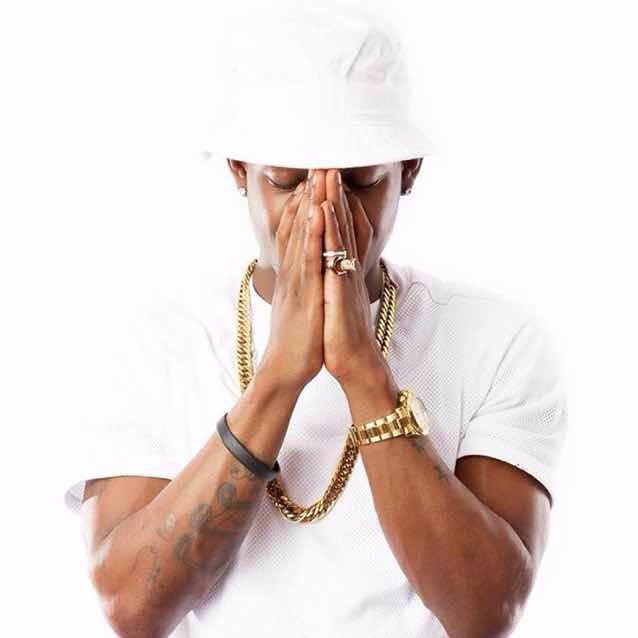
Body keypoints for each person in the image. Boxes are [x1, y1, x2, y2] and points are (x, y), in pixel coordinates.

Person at [63, 6, 568, 638]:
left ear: (407, 170)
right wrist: (279, 375)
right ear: (239, 170)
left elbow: (486, 613)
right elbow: (132, 608)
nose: (322, 215)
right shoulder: (157, 342)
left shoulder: (497, 341)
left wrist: (361, 369)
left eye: (358, 182)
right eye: (287, 181)